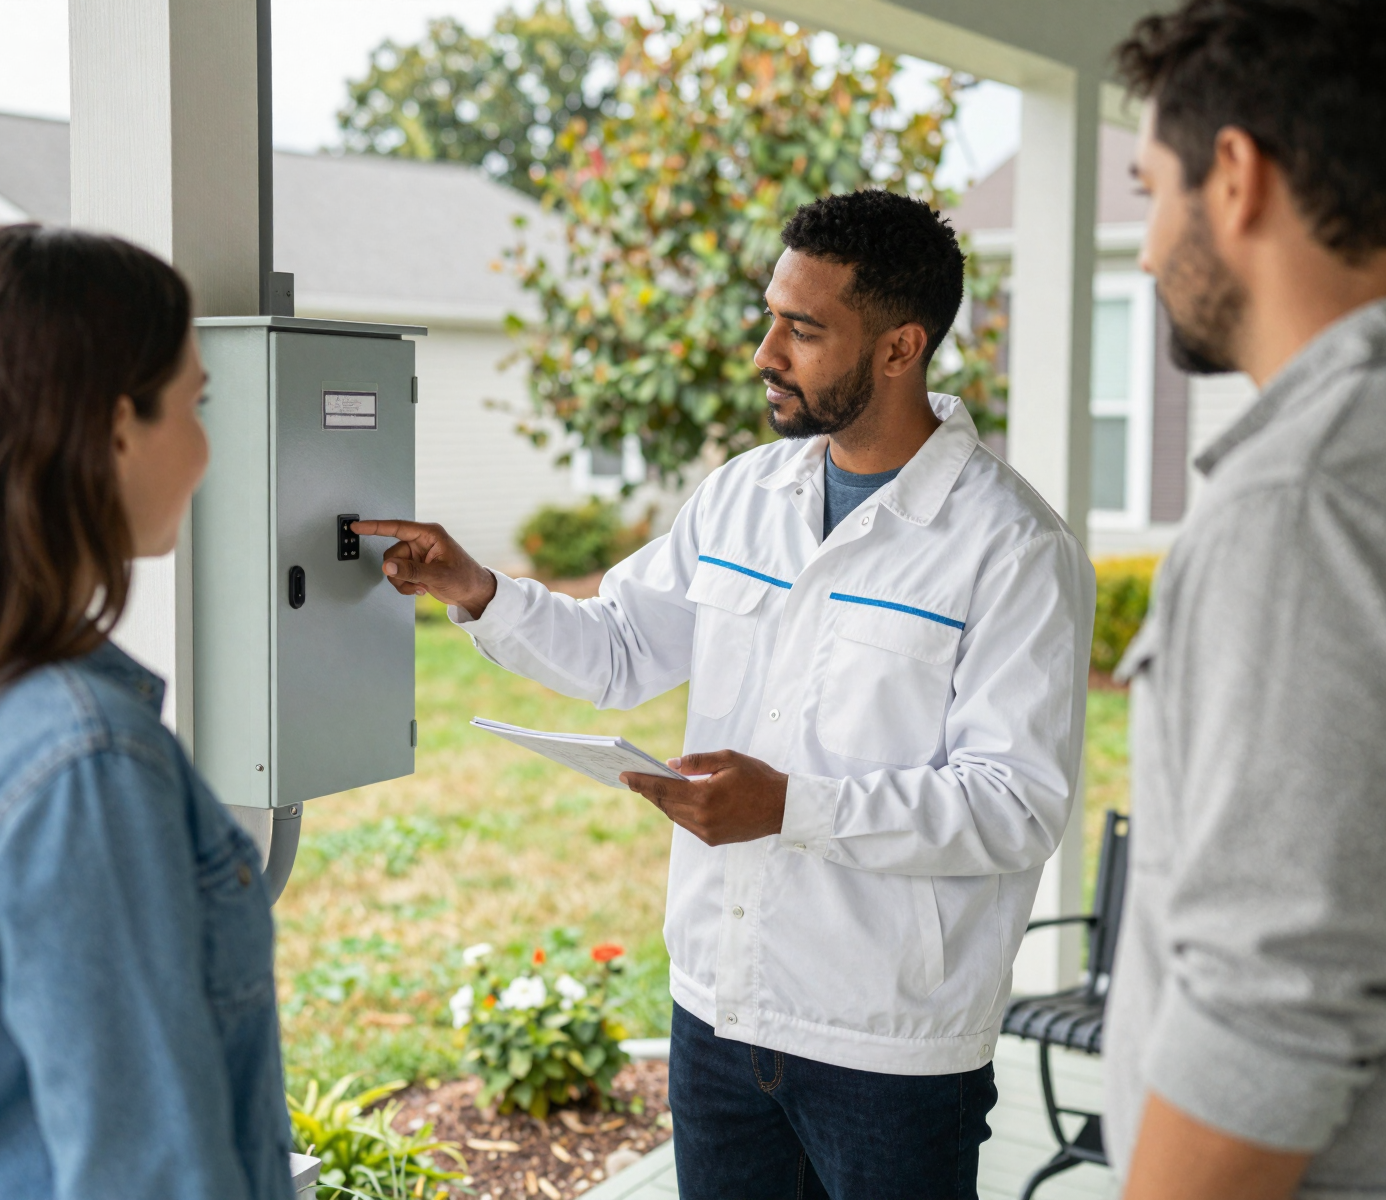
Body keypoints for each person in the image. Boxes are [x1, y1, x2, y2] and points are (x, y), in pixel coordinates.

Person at [355, 189, 1095, 1198]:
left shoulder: (1011, 547)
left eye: (802, 329)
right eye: (769, 318)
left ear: (897, 348)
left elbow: (1013, 805)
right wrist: (475, 590)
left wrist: (789, 807)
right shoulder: (744, 496)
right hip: (718, 1012)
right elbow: (618, 648)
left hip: (886, 1044)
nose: (765, 354)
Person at [1101, 2, 1386, 1198]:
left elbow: (1264, 1022)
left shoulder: (1309, 501)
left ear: (1234, 177)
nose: (1147, 245)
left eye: (1150, 188)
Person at [0, 225, 294, 1200]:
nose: (205, 451)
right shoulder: (79, 764)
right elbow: (150, 1177)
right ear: (117, 425)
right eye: (197, 404)